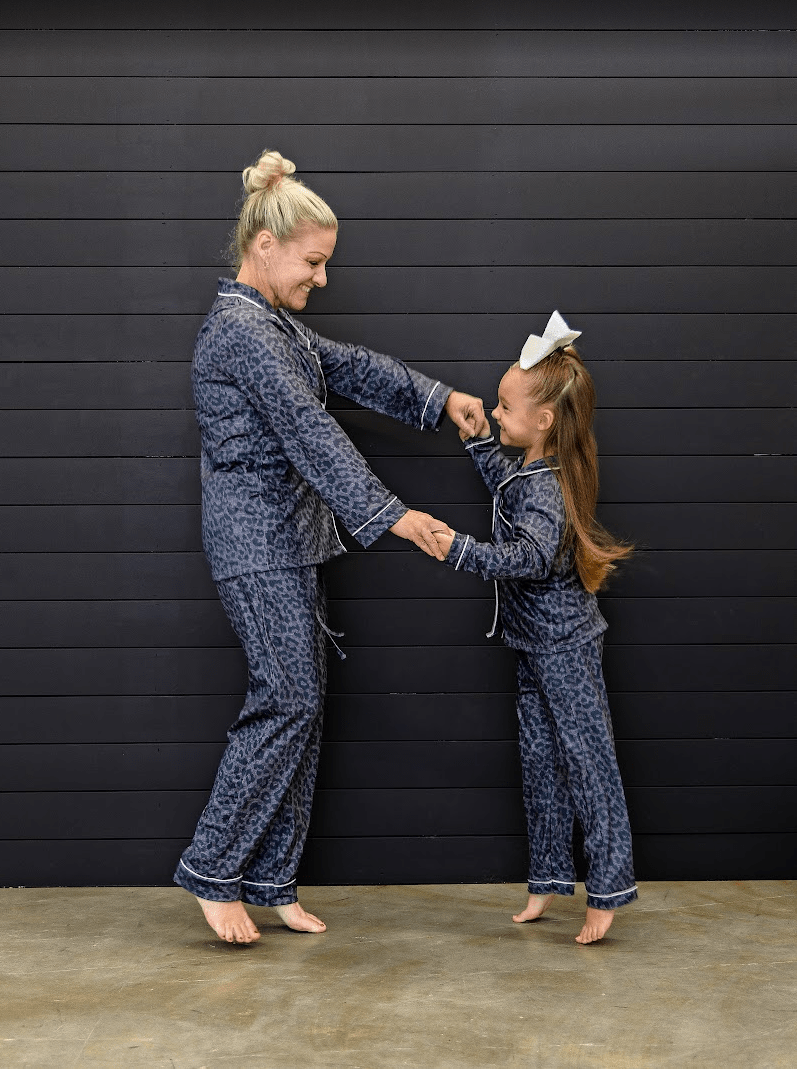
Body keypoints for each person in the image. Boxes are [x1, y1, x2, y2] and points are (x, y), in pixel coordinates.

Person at [174, 149, 483, 944]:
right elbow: (310, 433)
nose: (321, 279)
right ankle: (215, 871)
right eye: (313, 263)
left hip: (292, 541)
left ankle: (273, 877)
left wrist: (437, 396)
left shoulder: (274, 326)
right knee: (286, 699)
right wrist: (394, 515)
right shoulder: (240, 331)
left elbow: (347, 368)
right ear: (265, 246)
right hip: (257, 544)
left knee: (303, 709)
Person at [432, 312, 637, 945]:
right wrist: (473, 441)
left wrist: (460, 550)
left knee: (587, 763)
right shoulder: (530, 470)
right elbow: (503, 481)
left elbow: (528, 557)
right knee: (541, 762)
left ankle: (606, 889)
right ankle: (548, 879)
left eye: (503, 408)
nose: (496, 414)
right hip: (532, 643)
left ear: (543, 422)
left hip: (565, 645)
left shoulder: (547, 491)